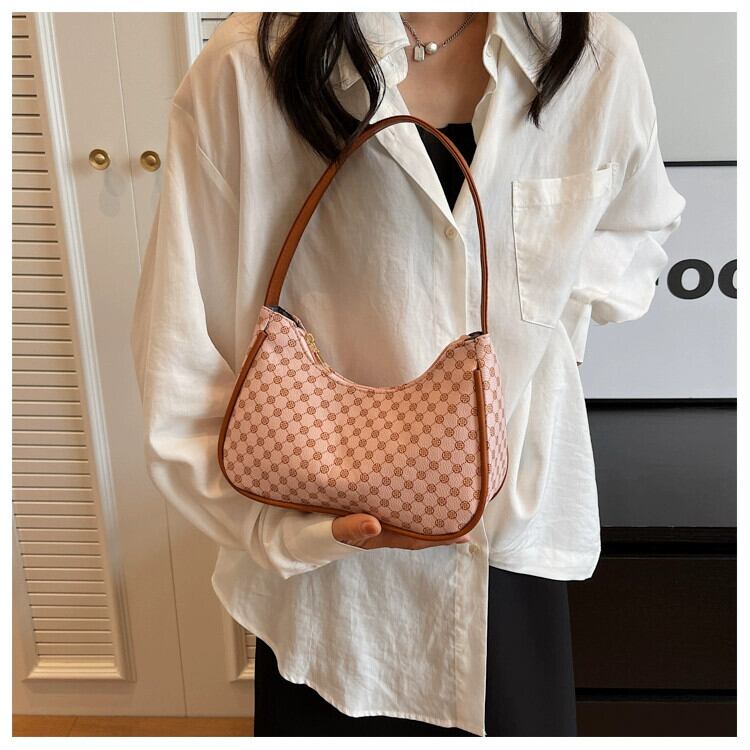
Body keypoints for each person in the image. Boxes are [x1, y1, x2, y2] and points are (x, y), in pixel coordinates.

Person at [130, 12, 686, 737]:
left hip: (509, 533)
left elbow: (638, 226)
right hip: (323, 564)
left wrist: (553, 329)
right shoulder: (251, 64)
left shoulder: (592, 56)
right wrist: (276, 529)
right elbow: (178, 340)